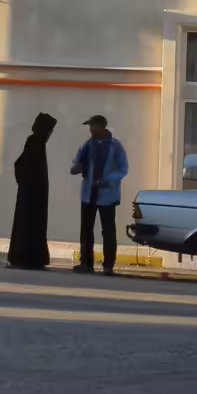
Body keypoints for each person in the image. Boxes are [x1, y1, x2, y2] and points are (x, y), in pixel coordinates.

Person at [70, 115, 129, 275]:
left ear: (102, 127)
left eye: (93, 126)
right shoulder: (87, 146)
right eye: (90, 127)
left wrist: (107, 180)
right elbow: (77, 162)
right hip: (89, 194)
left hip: (107, 195)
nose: (90, 130)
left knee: (108, 231)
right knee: (86, 230)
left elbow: (123, 168)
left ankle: (108, 265)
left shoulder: (115, 146)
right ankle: (86, 263)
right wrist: (76, 168)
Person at [7, 112, 57, 269]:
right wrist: (29, 184)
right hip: (32, 194)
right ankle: (27, 257)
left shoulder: (36, 142)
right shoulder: (35, 142)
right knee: (29, 225)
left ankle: (28, 257)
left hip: (31, 193)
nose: (50, 134)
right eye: (50, 130)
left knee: (29, 224)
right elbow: (25, 166)